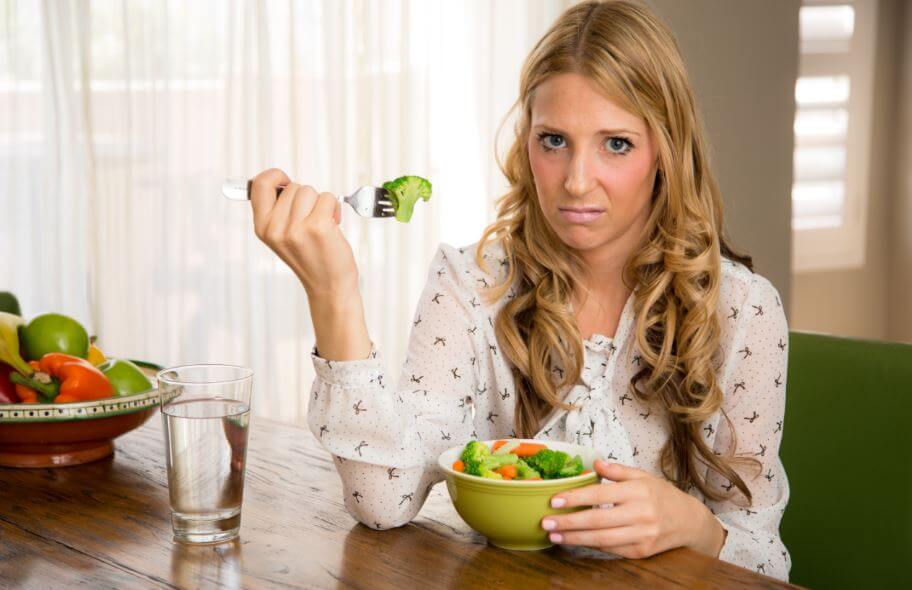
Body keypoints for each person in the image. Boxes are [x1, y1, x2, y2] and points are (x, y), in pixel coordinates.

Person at [248, 0, 790, 581]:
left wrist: (694, 527)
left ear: (666, 150)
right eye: (554, 140)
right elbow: (383, 500)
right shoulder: (471, 284)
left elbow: (766, 560)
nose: (577, 181)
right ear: (525, 142)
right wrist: (334, 293)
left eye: (616, 144)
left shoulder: (743, 312)